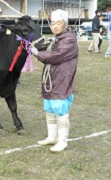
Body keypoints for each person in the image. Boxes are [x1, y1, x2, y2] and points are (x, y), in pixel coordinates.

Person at [30, 9, 78, 152]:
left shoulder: (69, 40)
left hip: (62, 79)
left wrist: (38, 53)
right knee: (50, 109)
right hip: (51, 79)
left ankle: (62, 141)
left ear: (65, 24)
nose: (55, 26)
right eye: (53, 23)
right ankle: (52, 137)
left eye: (58, 23)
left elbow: (55, 56)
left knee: (60, 110)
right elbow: (49, 53)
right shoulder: (57, 38)